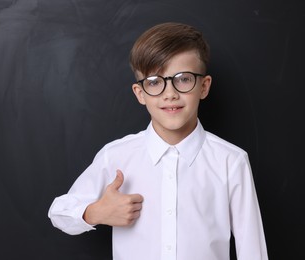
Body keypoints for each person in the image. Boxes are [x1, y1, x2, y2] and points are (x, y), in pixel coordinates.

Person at [48, 22, 268, 260]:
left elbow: (252, 251)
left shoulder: (231, 161)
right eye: (154, 81)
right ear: (140, 93)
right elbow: (59, 212)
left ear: (203, 87)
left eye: (183, 79)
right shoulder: (117, 156)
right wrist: (95, 212)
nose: (170, 93)